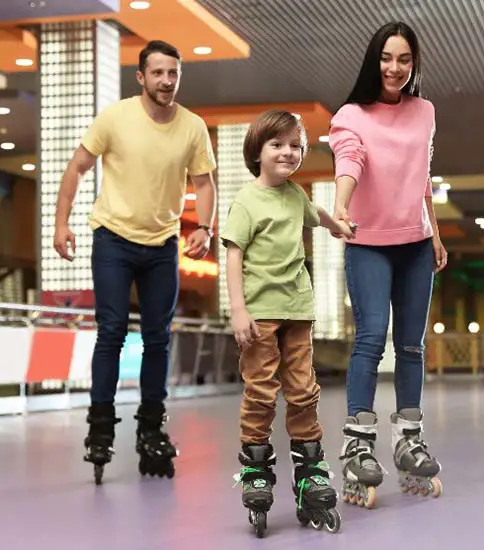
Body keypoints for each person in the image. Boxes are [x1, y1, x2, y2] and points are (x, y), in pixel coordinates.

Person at [53, 40, 217, 483]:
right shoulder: (116, 118)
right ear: (141, 77)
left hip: (162, 244)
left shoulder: (192, 127)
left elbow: (203, 183)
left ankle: (151, 428)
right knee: (111, 331)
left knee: (158, 337)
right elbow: (77, 167)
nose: (166, 81)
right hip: (112, 239)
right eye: (158, 73)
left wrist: (204, 226)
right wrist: (61, 223)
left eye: (173, 73)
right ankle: (101, 427)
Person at [328, 21, 447, 507]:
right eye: (385, 58)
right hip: (369, 240)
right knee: (373, 336)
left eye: (403, 59)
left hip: (416, 242)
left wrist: (435, 234)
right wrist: (340, 205)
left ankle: (409, 441)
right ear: (373, 60)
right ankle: (357, 445)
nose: (394, 68)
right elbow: (350, 161)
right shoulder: (351, 114)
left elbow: (422, 178)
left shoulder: (426, 112)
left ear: (414, 62)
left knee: (412, 346)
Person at [221, 110, 353, 537]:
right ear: (257, 151)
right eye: (278, 144)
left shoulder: (296, 195)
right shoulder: (246, 200)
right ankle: (256, 469)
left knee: (303, 390)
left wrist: (337, 226)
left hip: (298, 309)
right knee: (260, 391)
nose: (289, 152)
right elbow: (234, 256)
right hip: (259, 313)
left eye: (296, 145)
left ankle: (310, 471)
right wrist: (238, 309)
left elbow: (314, 210)